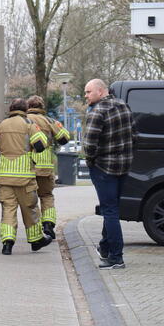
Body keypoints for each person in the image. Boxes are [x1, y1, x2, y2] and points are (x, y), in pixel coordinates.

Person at [82, 79, 137, 269]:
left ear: (100, 91)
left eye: (88, 92)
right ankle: (105, 248)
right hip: (123, 167)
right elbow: (134, 136)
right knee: (112, 208)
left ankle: (116, 257)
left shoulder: (97, 112)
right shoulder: (124, 106)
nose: (86, 96)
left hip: (104, 168)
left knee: (110, 211)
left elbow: (89, 146)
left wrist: (91, 162)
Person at [0, 98, 52, 255]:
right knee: (30, 209)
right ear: (25, 109)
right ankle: (36, 240)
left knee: (8, 210)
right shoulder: (29, 124)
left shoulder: (1, 125)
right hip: (25, 178)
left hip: (4, 177)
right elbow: (40, 145)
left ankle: (7, 243)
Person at [26, 95, 70, 239]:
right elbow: (64, 138)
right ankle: (48, 225)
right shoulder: (49, 121)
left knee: (31, 201)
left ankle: (36, 230)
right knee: (46, 196)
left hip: (27, 166)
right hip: (45, 167)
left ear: (28, 107)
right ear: (42, 107)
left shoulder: (23, 121)